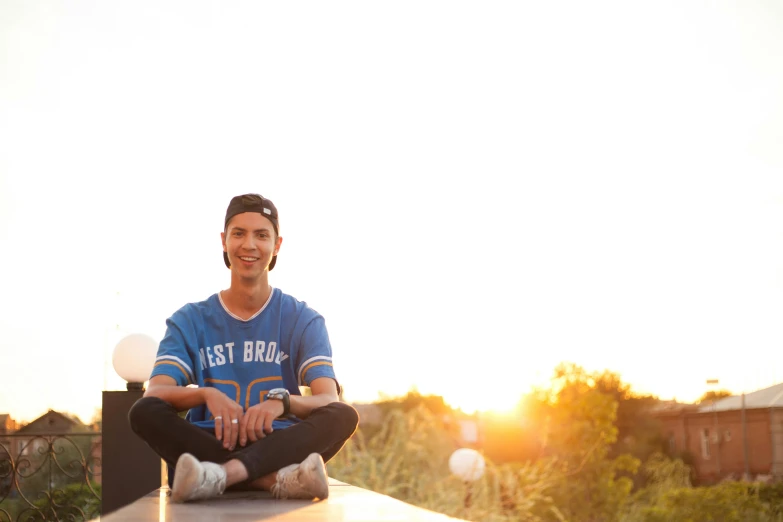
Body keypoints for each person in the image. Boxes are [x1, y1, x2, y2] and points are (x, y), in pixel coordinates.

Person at [129, 193, 359, 503]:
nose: (249, 245)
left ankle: (221, 477)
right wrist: (205, 394)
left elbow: (328, 399)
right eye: (239, 233)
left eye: (261, 235)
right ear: (224, 241)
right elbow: (154, 394)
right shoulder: (191, 319)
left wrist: (283, 403)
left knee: (343, 415)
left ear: (276, 245)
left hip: (278, 443)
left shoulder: (303, 319)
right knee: (144, 411)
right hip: (207, 442)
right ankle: (275, 480)